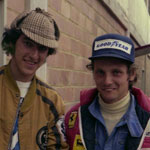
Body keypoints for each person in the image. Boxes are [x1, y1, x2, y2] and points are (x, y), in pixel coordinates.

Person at [65, 33, 150, 150]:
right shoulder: (73, 118)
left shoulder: (147, 118)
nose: (107, 81)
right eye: (100, 72)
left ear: (131, 74)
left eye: (116, 72)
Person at [0, 7, 68, 150]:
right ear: (13, 42)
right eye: (28, 43)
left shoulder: (52, 101)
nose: (34, 55)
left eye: (42, 48)